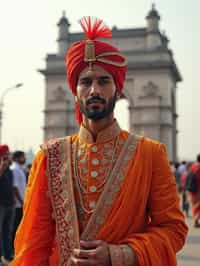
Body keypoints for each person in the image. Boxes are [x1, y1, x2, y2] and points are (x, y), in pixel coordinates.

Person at [11, 17, 188, 266]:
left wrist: (120, 254)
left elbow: (174, 230)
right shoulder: (49, 156)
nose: (94, 90)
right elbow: (33, 243)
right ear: (74, 91)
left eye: (104, 81)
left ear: (118, 88)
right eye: (86, 81)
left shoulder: (150, 154)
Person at [0, 145, 15, 264]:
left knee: (7, 232)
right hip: (1, 205)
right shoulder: (3, 168)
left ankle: (7, 254)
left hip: (10, 205)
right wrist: (2, 166)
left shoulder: (10, 170)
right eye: (8, 154)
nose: (11, 156)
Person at [10, 151, 26, 244]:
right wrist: (21, 201)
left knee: (18, 227)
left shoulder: (19, 169)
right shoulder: (15, 169)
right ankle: (13, 246)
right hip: (17, 204)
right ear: (16, 158)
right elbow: (15, 187)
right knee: (15, 227)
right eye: (22, 157)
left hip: (20, 203)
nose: (24, 159)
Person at [187, 154, 200, 227]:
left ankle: (196, 222)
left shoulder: (192, 167)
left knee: (194, 206)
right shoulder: (198, 167)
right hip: (198, 190)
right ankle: (196, 220)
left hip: (191, 189)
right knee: (198, 206)